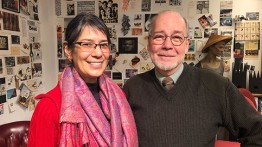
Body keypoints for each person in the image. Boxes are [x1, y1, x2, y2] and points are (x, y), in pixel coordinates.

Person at [123, 10, 262, 147]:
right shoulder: (132, 88)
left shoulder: (217, 86)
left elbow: (257, 133)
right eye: (159, 37)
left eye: (176, 38)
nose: (167, 45)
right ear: (148, 43)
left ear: (186, 44)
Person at [28, 12, 138, 147]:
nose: (98, 53)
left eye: (103, 44)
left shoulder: (118, 95)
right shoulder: (49, 107)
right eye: (86, 44)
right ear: (68, 50)